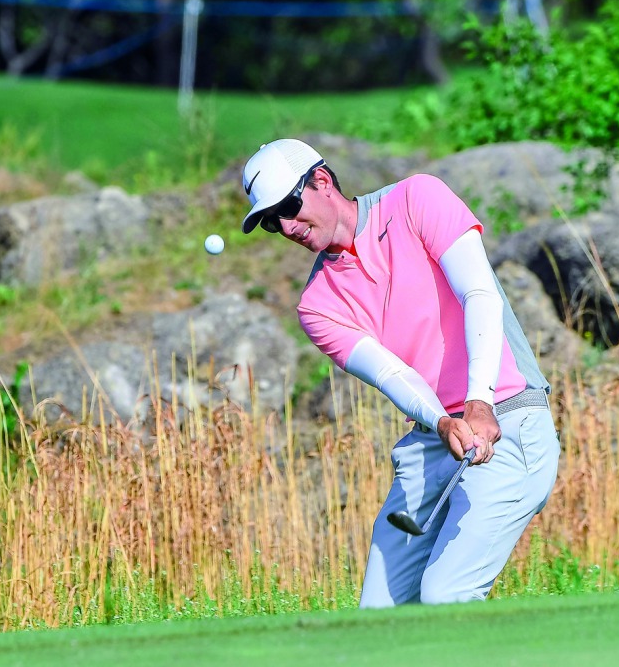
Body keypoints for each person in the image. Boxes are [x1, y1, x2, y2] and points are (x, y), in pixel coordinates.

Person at [240, 138, 560, 606]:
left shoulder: (417, 198)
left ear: (322, 181)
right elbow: (394, 376)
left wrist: (479, 400)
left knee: (445, 595)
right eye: (271, 222)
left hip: (509, 418)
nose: (286, 226)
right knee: (378, 614)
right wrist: (445, 422)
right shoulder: (317, 306)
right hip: (436, 436)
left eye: (289, 205)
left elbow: (480, 295)